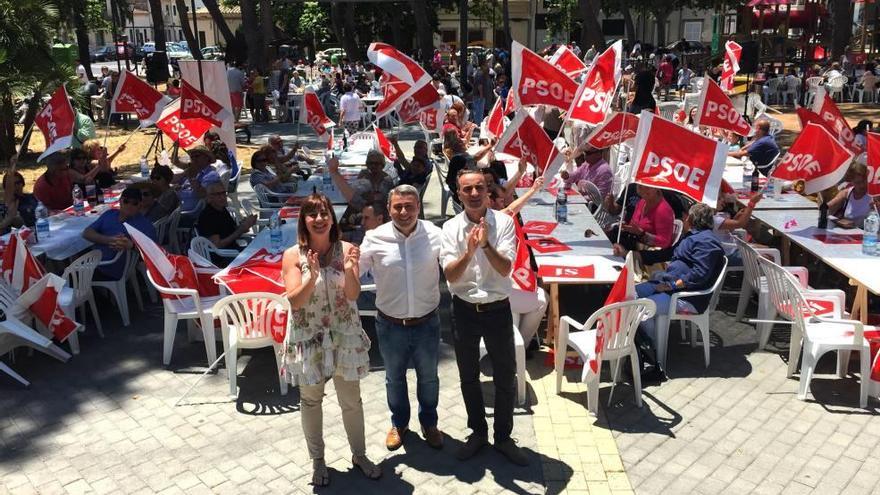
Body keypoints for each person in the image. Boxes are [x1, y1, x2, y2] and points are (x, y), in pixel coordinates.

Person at [280, 193, 381, 487]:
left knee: (351, 401)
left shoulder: (348, 249)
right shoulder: (292, 256)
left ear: (332, 218)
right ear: (304, 221)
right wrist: (310, 277)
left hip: (343, 334)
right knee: (311, 401)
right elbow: (295, 303)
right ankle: (318, 461)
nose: (320, 219)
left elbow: (351, 295)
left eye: (324, 213)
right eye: (313, 214)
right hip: (309, 336)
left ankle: (359, 455)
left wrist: (350, 269)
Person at [440, 169, 528, 466]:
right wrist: (469, 252)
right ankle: (477, 432)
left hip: (497, 309)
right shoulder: (450, 228)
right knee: (468, 377)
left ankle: (503, 437)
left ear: (488, 191)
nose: (475, 193)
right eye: (468, 189)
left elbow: (505, 269)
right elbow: (450, 275)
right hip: (464, 310)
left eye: (480, 187)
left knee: (505, 376)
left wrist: (486, 245)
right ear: (458, 192)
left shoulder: (503, 223)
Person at [359, 185, 444, 451]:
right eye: (398, 206)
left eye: (410, 206)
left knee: (429, 378)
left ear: (419, 207)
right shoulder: (374, 238)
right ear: (389, 209)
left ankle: (429, 423)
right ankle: (399, 423)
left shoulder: (436, 235)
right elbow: (354, 271)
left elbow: (456, 266)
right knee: (394, 378)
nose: (404, 211)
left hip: (427, 323)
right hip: (390, 324)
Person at [634, 203, 726, 371]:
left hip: (686, 297)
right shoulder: (690, 236)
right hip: (668, 285)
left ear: (690, 219)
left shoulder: (707, 242)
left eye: (686, 217)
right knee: (631, 294)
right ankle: (640, 342)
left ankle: (652, 352)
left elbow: (699, 275)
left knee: (641, 308)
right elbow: (668, 253)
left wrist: (670, 285)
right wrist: (640, 255)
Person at [488, 176, 548, 350]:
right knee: (543, 298)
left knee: (525, 301)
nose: (505, 202)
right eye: (500, 200)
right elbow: (512, 209)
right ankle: (523, 344)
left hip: (501, 286)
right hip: (501, 290)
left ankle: (518, 345)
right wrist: (533, 190)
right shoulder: (496, 218)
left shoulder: (489, 216)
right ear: (490, 201)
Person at [83, 187, 156, 280]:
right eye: (126, 201)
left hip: (106, 267)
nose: (129, 205)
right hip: (93, 261)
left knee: (64, 278)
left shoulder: (145, 225)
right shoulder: (110, 214)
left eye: (135, 203)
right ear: (120, 201)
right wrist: (109, 240)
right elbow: (86, 233)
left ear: (140, 205)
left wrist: (132, 246)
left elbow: (154, 252)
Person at [197, 182, 256, 263]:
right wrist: (240, 230)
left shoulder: (222, 209)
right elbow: (217, 245)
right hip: (223, 257)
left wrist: (245, 225)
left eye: (224, 193)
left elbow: (231, 231)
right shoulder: (208, 216)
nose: (223, 197)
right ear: (210, 198)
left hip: (234, 250)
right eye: (218, 194)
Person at [612, 184, 676, 255]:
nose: (643, 190)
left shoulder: (663, 210)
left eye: (648, 187)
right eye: (640, 186)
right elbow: (633, 225)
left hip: (646, 255)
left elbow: (665, 242)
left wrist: (642, 233)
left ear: (657, 188)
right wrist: (626, 227)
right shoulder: (642, 202)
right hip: (632, 243)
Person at [328, 151, 394, 211]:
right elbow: (356, 193)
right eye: (370, 163)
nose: (373, 166)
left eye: (376, 163)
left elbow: (378, 200)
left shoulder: (386, 180)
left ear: (382, 165)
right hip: (363, 209)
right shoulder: (364, 175)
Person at [175, 145, 220, 212]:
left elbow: (201, 194)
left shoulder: (211, 175)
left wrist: (190, 176)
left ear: (207, 158)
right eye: (192, 157)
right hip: (176, 204)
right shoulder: (195, 171)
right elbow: (171, 180)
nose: (193, 159)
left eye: (197, 156)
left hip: (187, 213)